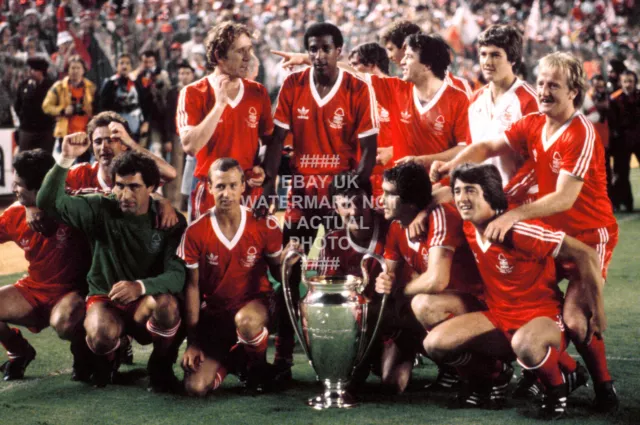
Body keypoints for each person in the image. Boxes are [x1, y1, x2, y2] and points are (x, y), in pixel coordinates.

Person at [433, 52, 619, 412]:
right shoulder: (534, 122)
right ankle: (550, 369)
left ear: (575, 92)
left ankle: (603, 387)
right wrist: (453, 164)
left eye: (555, 85)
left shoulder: (581, 133)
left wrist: (515, 213)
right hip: (550, 231)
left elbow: (565, 197)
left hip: (588, 237)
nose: (545, 91)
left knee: (578, 319)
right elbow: (487, 145)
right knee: (536, 306)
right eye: (542, 83)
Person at [425, 163, 604, 419]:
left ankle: (557, 388)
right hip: (499, 316)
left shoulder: (518, 229)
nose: (462, 198)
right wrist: (422, 214)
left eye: (471, 190)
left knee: (525, 343)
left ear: (489, 192)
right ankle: (494, 376)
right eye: (458, 191)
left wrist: (598, 311)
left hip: (542, 318)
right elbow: (438, 195)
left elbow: (585, 254)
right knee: (435, 344)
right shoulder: (469, 223)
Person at [269, 22, 378, 377]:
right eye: (312, 49)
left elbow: (368, 154)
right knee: (290, 270)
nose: (318, 55)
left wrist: (347, 191)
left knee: (352, 276)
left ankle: (356, 353)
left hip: (343, 199)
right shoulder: (292, 84)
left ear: (339, 51)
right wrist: (270, 187)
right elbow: (275, 144)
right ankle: (283, 357)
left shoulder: (358, 88)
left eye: (326, 48)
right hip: (302, 195)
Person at [36, 137, 186, 392]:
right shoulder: (101, 206)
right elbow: (48, 203)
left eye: (134, 187)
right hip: (105, 297)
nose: (125, 195)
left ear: (151, 187)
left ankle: (161, 365)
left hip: (143, 301)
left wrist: (139, 287)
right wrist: (65, 158)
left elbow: (177, 275)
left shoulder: (170, 222)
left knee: (169, 307)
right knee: (99, 336)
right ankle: (108, 357)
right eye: (119, 186)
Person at [374, 161, 485, 394]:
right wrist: (385, 282)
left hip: (479, 305)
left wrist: (399, 291)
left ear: (411, 201)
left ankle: (487, 371)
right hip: (447, 304)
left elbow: (437, 280)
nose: (380, 199)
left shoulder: (442, 216)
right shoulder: (396, 227)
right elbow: (389, 276)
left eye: (389, 194)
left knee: (423, 304)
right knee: (384, 311)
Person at [178, 158, 283, 396]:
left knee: (246, 322)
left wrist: (288, 260)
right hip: (215, 317)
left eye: (233, 185)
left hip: (253, 308)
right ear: (209, 187)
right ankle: (235, 361)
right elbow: (192, 288)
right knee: (195, 388)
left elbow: (279, 273)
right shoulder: (195, 231)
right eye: (221, 186)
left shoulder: (263, 223)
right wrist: (192, 342)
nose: (227, 193)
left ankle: (257, 368)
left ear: (243, 186)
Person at [0, 149, 89, 382]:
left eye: (19, 185)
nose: (14, 189)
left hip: (73, 295)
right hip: (34, 292)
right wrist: (29, 206)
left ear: (39, 188)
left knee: (64, 323)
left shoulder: (74, 207)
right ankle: (19, 351)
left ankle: (87, 353)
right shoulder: (14, 215)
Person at [177, 22, 274, 222]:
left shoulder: (257, 92)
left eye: (249, 49)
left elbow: (270, 142)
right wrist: (219, 105)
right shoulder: (193, 93)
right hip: (210, 193)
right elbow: (190, 145)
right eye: (240, 51)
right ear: (219, 57)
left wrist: (262, 169)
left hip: (247, 192)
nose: (248, 57)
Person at [467, 25, 539, 202]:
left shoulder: (529, 101)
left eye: (495, 55)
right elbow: (471, 153)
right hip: (483, 202)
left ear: (512, 59)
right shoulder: (474, 100)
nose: (487, 62)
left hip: (521, 201)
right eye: (483, 54)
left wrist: (507, 194)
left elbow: (537, 161)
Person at [394, 34, 470, 168]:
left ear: (427, 65)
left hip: (439, 183)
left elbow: (464, 149)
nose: (402, 62)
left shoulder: (458, 99)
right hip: (401, 183)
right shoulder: (398, 89)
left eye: (409, 56)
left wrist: (421, 161)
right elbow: (358, 76)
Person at [379, 20, 472, 97]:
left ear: (406, 46)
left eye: (391, 49)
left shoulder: (457, 86)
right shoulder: (398, 89)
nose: (389, 56)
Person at [42, 55, 96, 161]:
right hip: (65, 135)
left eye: (78, 68)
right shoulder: (59, 86)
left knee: (83, 169)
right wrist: (62, 110)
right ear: (68, 70)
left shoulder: (91, 87)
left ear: (83, 70)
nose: (75, 71)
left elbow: (96, 109)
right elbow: (46, 106)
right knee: (65, 168)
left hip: (85, 135)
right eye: (72, 68)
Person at [99, 54, 150, 140]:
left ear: (131, 66)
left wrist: (146, 122)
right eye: (121, 63)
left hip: (135, 126)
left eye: (127, 63)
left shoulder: (136, 83)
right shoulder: (110, 83)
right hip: (115, 127)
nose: (124, 66)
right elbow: (102, 106)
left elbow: (145, 104)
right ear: (117, 66)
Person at [609, 69, 640, 212]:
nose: (628, 84)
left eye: (630, 81)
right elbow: (613, 123)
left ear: (635, 82)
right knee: (622, 173)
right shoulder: (614, 99)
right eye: (625, 81)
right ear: (621, 83)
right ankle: (627, 204)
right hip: (622, 141)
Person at [14, 57, 55, 153]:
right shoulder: (24, 85)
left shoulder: (52, 86)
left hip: (46, 130)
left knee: (45, 160)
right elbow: (17, 105)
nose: (30, 72)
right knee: (24, 158)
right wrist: (24, 118)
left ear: (40, 71)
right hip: (26, 129)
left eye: (33, 69)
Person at [582, 74, 612, 202]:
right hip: (587, 139)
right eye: (596, 82)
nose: (599, 85)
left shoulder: (585, 97)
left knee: (605, 170)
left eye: (601, 82)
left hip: (603, 137)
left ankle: (609, 199)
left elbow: (596, 115)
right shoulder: (587, 95)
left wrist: (576, 121)